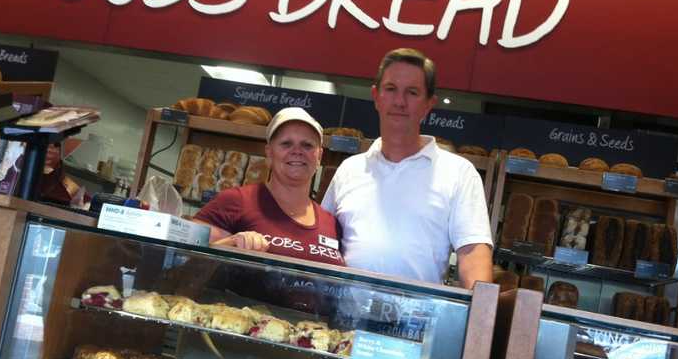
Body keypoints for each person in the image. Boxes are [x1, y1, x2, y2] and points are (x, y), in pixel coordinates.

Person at [321, 48, 493, 288]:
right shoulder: (350, 170)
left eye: (412, 93)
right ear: (376, 96)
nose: (400, 102)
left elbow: (473, 255)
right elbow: (323, 240)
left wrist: (480, 319)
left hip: (417, 322)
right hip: (343, 319)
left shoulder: (459, 174)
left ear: (428, 104)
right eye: (391, 89)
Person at [194, 107, 344, 267]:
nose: (297, 151)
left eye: (307, 145)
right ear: (269, 153)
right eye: (286, 144)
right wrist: (231, 244)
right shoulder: (235, 201)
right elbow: (185, 263)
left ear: (319, 156)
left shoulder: (331, 223)